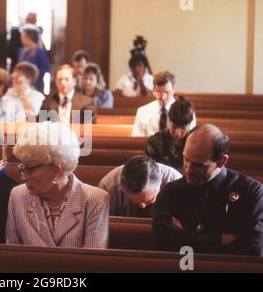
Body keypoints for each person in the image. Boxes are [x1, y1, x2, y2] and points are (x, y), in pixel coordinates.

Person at [153, 124, 263, 256]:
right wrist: (217, 240)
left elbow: (252, 249)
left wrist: (184, 237)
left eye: (198, 165)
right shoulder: (172, 190)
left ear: (222, 161)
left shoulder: (251, 192)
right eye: (186, 159)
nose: (188, 170)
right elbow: (161, 239)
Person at [6, 121, 109, 248]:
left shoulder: (94, 199)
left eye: (29, 169)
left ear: (56, 171)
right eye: (22, 168)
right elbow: (13, 255)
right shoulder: (18, 195)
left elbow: (93, 262)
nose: (22, 177)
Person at [98, 155, 181, 217]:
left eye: (150, 200)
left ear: (160, 182)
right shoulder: (107, 188)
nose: (142, 206)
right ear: (121, 187)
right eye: (133, 201)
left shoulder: (176, 182)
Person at [131, 71, 196, 137]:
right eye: (158, 92)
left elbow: (191, 138)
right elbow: (137, 138)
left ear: (174, 89)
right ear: (153, 90)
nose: (163, 97)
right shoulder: (143, 111)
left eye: (167, 92)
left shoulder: (186, 110)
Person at [145, 97, 195, 170]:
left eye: (183, 128)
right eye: (174, 126)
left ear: (190, 124)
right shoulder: (153, 142)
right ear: (168, 120)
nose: (177, 133)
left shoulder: (196, 143)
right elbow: (148, 170)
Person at [17, 25, 50, 92]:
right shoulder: (21, 50)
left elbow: (45, 69)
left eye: (23, 36)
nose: (21, 38)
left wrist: (30, 74)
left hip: (35, 85)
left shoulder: (39, 51)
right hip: (21, 84)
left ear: (30, 37)